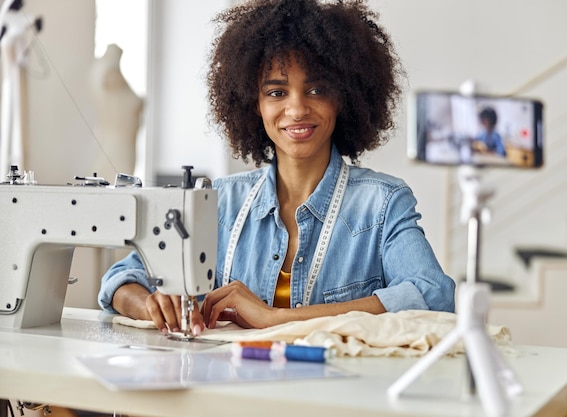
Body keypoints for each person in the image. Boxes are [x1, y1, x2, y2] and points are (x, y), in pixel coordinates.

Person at [98, 0, 456, 336]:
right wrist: (151, 305)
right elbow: (121, 278)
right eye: (276, 92)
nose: (297, 109)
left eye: (317, 90)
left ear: (343, 97)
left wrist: (277, 319)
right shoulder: (219, 202)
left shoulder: (382, 204)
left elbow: (433, 294)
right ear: (252, 103)